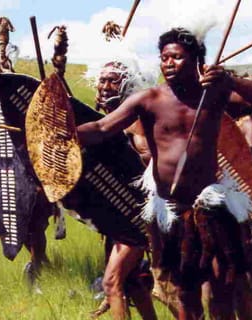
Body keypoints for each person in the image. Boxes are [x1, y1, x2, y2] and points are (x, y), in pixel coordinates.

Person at [75, 27, 252, 319]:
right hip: (173, 211)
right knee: (186, 292)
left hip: (213, 204)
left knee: (223, 287)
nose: (168, 63)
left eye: (176, 57)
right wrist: (65, 135)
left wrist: (230, 79)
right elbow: (102, 128)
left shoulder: (214, 94)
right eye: (164, 57)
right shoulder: (148, 99)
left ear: (195, 61)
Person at [85, 59, 158, 320]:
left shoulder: (135, 123)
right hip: (118, 215)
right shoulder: (108, 120)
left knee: (112, 282)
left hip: (140, 216)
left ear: (126, 84)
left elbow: (151, 164)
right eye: (102, 80)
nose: (105, 86)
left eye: (112, 80)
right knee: (133, 284)